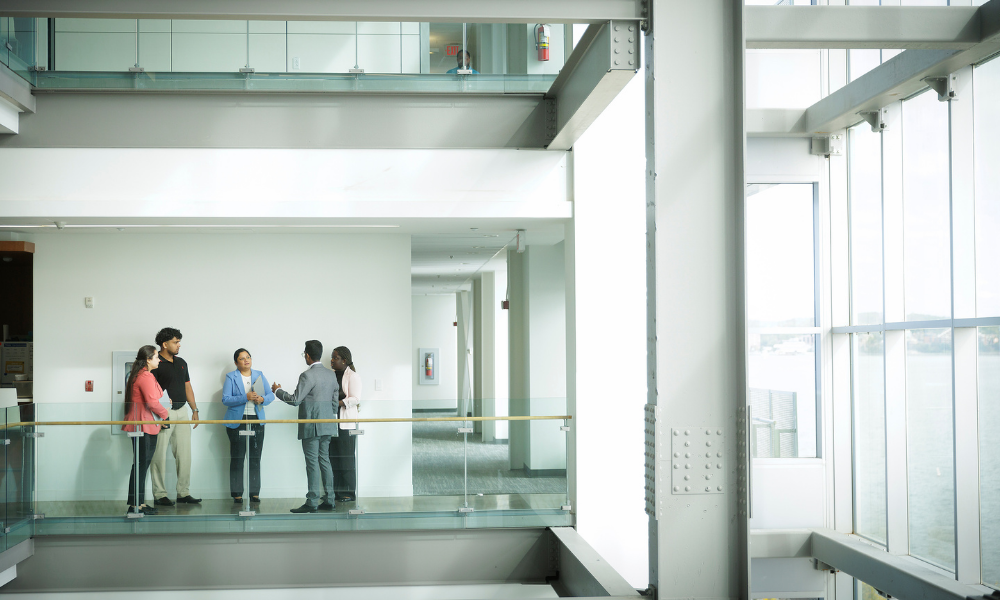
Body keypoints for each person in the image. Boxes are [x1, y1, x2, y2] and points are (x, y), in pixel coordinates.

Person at [272, 340, 339, 513]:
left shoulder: (307, 375)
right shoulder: (331, 375)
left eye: (304, 355)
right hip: (328, 424)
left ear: (308, 355)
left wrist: (277, 391)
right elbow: (334, 403)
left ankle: (312, 502)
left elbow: (295, 400)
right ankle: (330, 499)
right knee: (324, 460)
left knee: (312, 463)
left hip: (311, 426)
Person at [150, 327, 202, 506]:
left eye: (179, 341)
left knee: (184, 454)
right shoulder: (155, 363)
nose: (179, 345)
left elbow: (188, 386)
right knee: (159, 455)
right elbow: (150, 392)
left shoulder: (181, 362)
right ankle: (159, 495)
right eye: (175, 342)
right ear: (164, 344)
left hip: (182, 412)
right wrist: (160, 414)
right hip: (163, 413)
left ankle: (183, 492)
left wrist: (195, 410)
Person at [221, 348, 275, 504]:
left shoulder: (259, 375)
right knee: (237, 458)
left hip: (256, 420)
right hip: (237, 422)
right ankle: (237, 494)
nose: (246, 360)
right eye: (242, 358)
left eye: (248, 357)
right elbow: (225, 399)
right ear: (236, 362)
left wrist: (262, 399)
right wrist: (245, 397)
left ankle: (254, 493)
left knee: (255, 458)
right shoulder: (231, 377)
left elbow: (270, 395)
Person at [123, 345, 170, 515]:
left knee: (142, 465)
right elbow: (152, 402)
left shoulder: (143, 375)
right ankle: (135, 504)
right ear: (149, 359)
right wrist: (165, 415)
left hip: (144, 424)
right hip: (142, 426)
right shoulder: (145, 376)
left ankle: (139, 503)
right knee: (141, 465)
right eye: (157, 357)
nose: (159, 359)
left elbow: (152, 400)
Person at [329, 346, 362, 503]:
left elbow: (355, 399)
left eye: (335, 358)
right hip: (331, 422)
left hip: (346, 423)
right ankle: (336, 492)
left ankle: (348, 493)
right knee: (333, 459)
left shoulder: (353, 376)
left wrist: (339, 403)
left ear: (345, 360)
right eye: (332, 357)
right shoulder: (331, 375)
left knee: (347, 460)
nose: (332, 360)